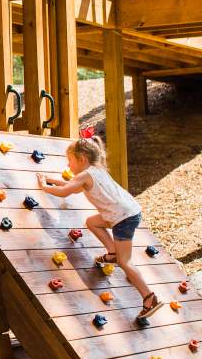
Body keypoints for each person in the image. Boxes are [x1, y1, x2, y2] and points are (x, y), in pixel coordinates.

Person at [36, 136, 163, 322]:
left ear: (82, 159)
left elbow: (66, 191)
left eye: (70, 160)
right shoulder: (95, 171)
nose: (68, 165)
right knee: (92, 222)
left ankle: (149, 298)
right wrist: (51, 180)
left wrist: (44, 187)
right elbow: (73, 187)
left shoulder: (85, 175)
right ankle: (112, 252)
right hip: (126, 212)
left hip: (122, 218)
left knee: (125, 261)